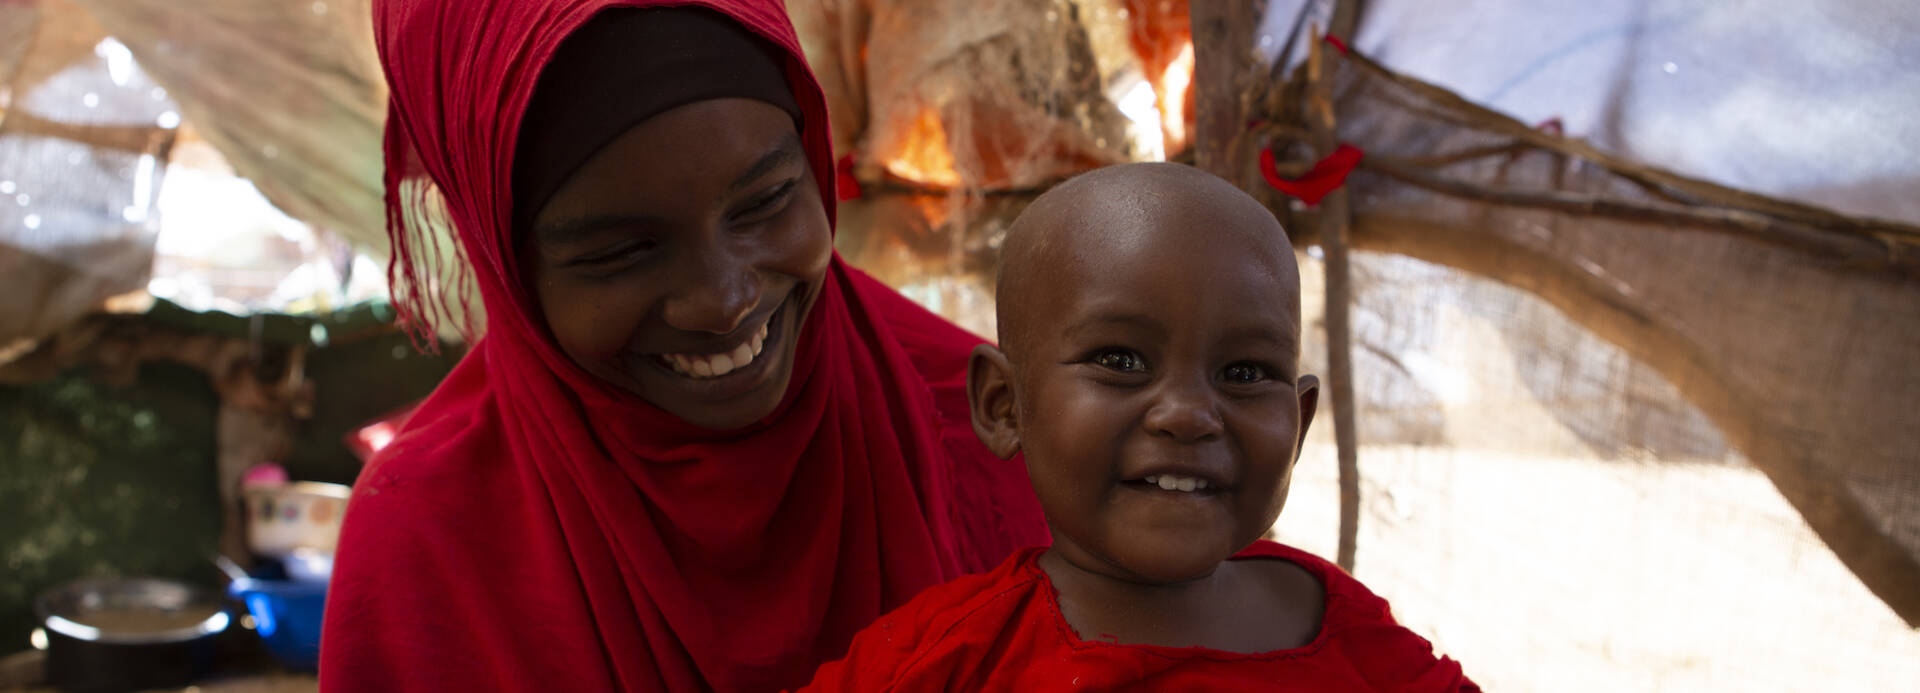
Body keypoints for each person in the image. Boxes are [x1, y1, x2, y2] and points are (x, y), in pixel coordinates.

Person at [320, 1, 1048, 691]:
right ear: (507, 266)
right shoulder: (427, 556)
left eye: (766, 202)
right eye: (621, 253)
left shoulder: (1002, 438)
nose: (725, 302)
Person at [797, 163, 1476, 691]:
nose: (1189, 414)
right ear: (1005, 405)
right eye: (1120, 361)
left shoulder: (1351, 637)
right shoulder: (942, 661)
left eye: (1244, 372)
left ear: (1297, 425)